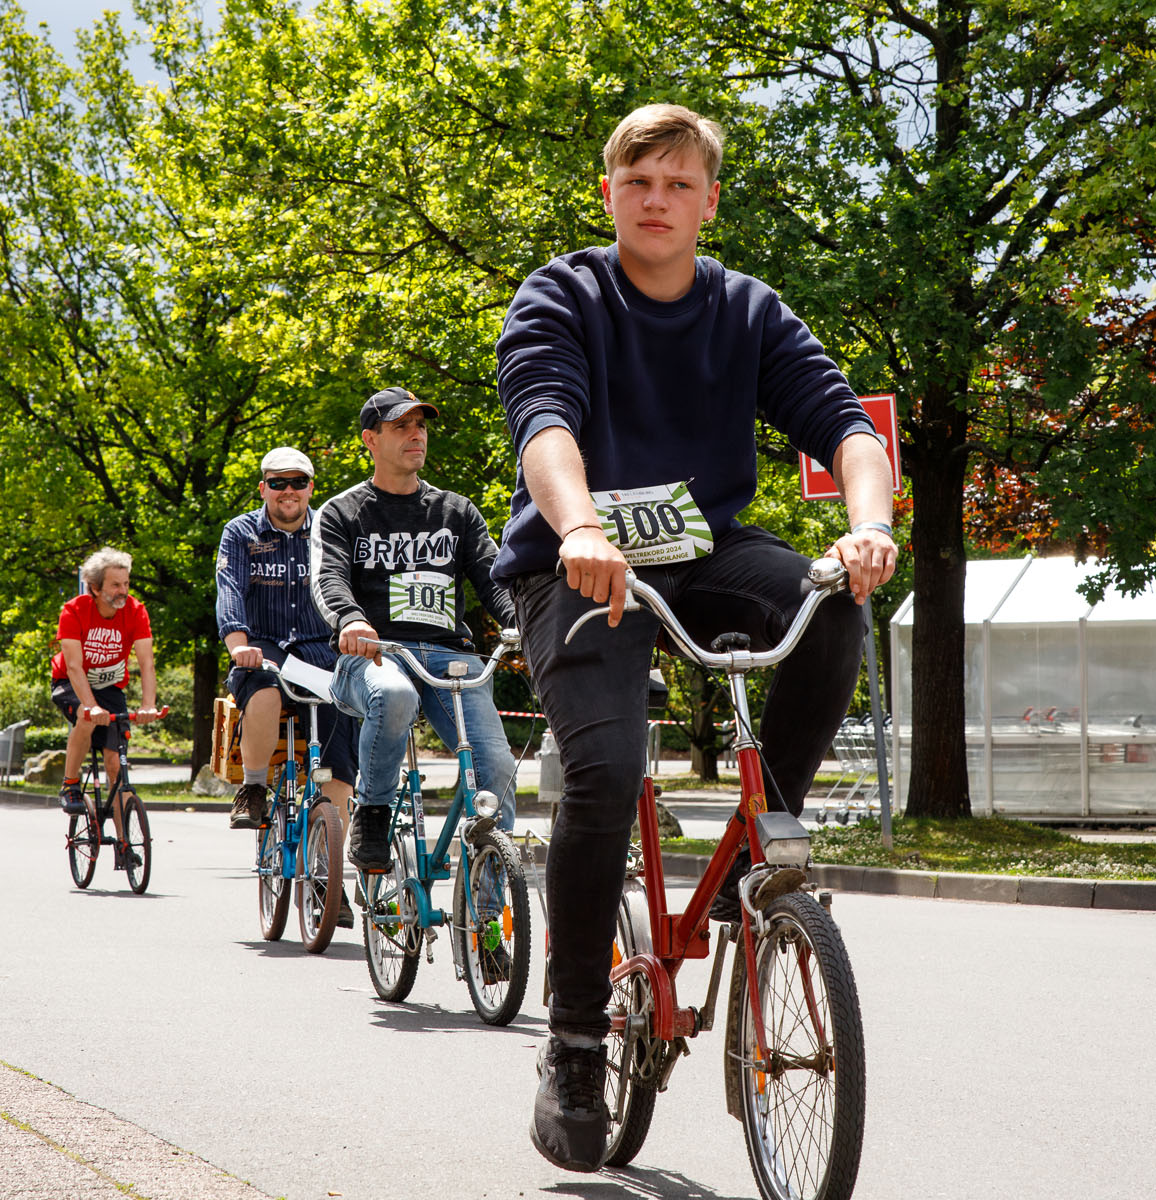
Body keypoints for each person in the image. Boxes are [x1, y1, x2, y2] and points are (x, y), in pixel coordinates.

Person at [494, 103, 899, 1171]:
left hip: (699, 548)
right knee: (607, 770)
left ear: (710, 201)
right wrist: (578, 526)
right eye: (639, 183)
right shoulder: (564, 294)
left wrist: (869, 526)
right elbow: (547, 422)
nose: (658, 200)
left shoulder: (748, 310)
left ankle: (765, 846)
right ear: (610, 195)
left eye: (679, 184)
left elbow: (846, 426)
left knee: (826, 604)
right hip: (578, 562)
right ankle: (577, 1037)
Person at [312, 387, 519, 876]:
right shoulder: (342, 512)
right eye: (401, 426)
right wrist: (352, 619)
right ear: (370, 439)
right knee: (395, 695)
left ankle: (487, 925)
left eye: (421, 425)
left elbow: (494, 578)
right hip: (375, 656)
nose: (415, 434)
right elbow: (328, 579)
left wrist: (521, 626)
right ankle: (374, 813)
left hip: (451, 659)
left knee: (496, 771)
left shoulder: (456, 511)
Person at [216, 446, 360, 927]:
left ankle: (328, 876)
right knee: (264, 693)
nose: (288, 491)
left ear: (311, 488)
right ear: (263, 488)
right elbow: (230, 589)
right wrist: (239, 645)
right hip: (264, 650)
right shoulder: (240, 533)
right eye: (277, 482)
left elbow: (349, 587)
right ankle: (254, 790)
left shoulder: (330, 529)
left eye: (298, 481)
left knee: (341, 760)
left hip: (323, 653)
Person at [50, 548, 164, 852]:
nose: (123, 591)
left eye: (126, 584)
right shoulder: (74, 611)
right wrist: (91, 705)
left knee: (116, 763)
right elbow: (74, 667)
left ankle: (126, 842)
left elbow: (146, 663)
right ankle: (71, 783)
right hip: (71, 683)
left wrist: (148, 704)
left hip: (110, 687)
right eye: (115, 585)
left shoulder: (136, 611)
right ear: (96, 588)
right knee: (86, 718)